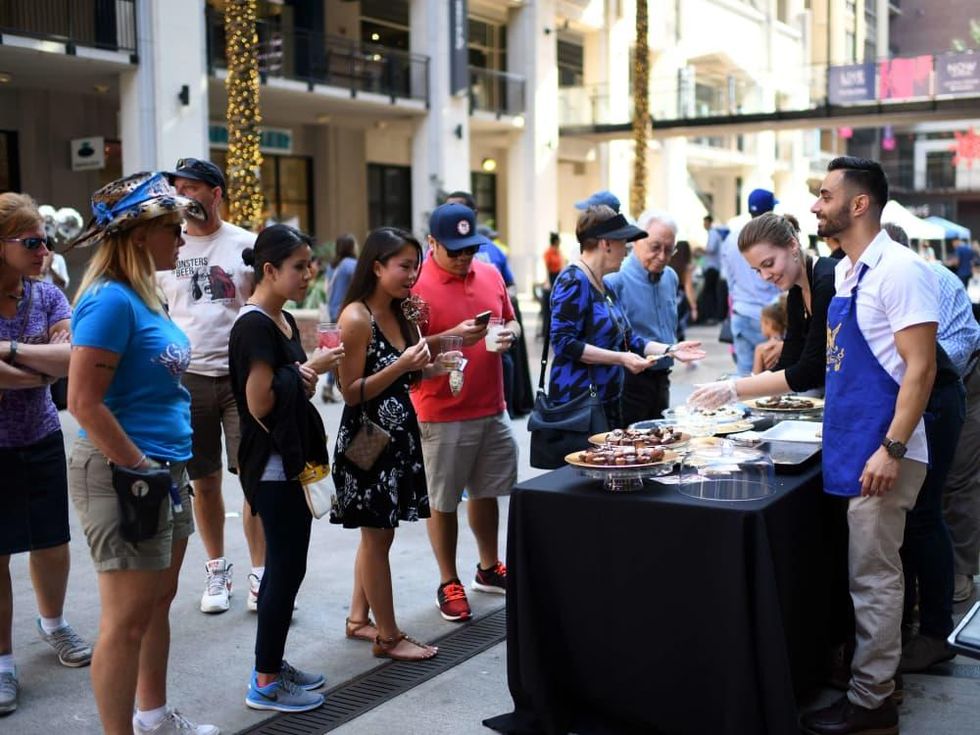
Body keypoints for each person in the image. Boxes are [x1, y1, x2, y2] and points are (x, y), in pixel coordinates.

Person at [66, 172, 218, 735]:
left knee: (157, 602)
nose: (181, 238)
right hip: (124, 471)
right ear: (137, 236)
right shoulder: (109, 300)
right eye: (172, 229)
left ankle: (153, 716)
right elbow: (83, 400)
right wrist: (139, 464)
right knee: (126, 620)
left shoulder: (141, 295)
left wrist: (158, 469)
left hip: (158, 469)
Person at [799, 157, 938, 735]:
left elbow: (921, 368)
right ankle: (874, 677)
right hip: (857, 446)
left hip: (883, 453)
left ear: (859, 204)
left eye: (825, 195)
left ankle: (871, 704)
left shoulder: (899, 269)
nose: (815, 204)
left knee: (874, 580)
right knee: (869, 575)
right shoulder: (852, 271)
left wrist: (892, 448)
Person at [229, 224, 343, 713]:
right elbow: (258, 402)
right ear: (269, 270)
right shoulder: (254, 325)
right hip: (273, 467)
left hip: (294, 460)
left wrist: (305, 376)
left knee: (287, 571)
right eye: (299, 266)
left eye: (309, 264)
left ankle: (272, 663)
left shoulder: (285, 320)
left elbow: (294, 390)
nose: (308, 273)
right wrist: (305, 369)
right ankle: (265, 681)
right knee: (283, 571)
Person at [158, 157, 265, 615]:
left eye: (193, 189)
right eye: (179, 190)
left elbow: (265, 304)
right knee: (204, 481)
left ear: (216, 193)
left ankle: (261, 572)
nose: (186, 198)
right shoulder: (167, 250)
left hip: (241, 377)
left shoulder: (245, 244)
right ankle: (216, 569)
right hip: (191, 379)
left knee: (256, 478)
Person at [0, 193, 91, 717]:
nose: (44, 250)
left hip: (40, 435)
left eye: (46, 241)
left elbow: (71, 360)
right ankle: (3, 661)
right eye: (32, 242)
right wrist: (42, 368)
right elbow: (54, 365)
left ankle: (52, 623)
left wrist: (10, 351)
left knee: (52, 542)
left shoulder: (49, 296)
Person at [331, 227, 439, 662]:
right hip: (365, 439)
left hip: (396, 437)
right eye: (404, 266)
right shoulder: (357, 318)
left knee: (378, 535)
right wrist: (401, 366)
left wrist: (433, 364)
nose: (412, 275)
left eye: (415, 266)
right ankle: (388, 637)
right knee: (377, 535)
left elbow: (406, 376)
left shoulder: (400, 313)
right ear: (376, 267)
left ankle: (359, 618)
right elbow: (350, 391)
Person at [410, 202, 518, 622]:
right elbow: (408, 352)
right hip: (439, 409)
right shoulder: (415, 287)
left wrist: (507, 333)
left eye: (468, 249)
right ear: (432, 243)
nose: (463, 257)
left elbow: (511, 322)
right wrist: (452, 336)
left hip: (491, 404)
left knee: (486, 490)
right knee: (443, 500)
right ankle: (447, 579)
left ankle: (488, 568)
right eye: (454, 250)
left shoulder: (490, 274)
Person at [884, 222, 974, 673]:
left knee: (925, 511)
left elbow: (951, 354)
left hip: (941, 398)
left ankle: (936, 631)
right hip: (914, 399)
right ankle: (914, 615)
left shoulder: (930, 278)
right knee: (912, 513)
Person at [550, 205, 704, 429]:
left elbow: (630, 338)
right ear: (606, 244)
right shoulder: (574, 279)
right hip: (580, 405)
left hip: (608, 401)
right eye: (624, 243)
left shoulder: (603, 283)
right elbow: (563, 343)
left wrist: (671, 350)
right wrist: (621, 358)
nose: (626, 250)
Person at [689, 213, 837, 410]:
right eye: (757, 270)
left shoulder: (826, 281)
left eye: (768, 264)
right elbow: (788, 361)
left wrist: (735, 389)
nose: (765, 276)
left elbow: (810, 370)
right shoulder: (797, 289)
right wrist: (736, 387)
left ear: (793, 245)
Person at [603, 210, 703, 426]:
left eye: (669, 250)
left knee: (660, 441)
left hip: (662, 376)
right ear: (637, 240)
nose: (662, 257)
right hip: (628, 379)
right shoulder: (615, 279)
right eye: (655, 247)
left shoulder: (670, 277)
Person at [720, 188, 782, 376]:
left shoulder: (731, 238)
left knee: (745, 376)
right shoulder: (773, 237)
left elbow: (727, 280)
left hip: (741, 312)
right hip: (770, 317)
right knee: (772, 380)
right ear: (770, 210)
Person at [321, 233, 358, 403]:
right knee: (343, 350)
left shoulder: (332, 266)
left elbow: (326, 287)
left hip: (331, 311)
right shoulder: (351, 265)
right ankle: (341, 384)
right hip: (345, 312)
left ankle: (329, 386)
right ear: (351, 247)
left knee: (333, 350)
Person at [669, 239, 698, 339]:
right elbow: (688, 287)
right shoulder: (686, 267)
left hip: (670, 297)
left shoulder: (669, 264)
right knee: (680, 331)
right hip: (681, 301)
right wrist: (694, 307)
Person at [698, 215, 724, 323]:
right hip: (712, 267)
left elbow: (711, 249)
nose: (704, 225)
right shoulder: (712, 234)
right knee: (711, 292)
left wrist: (700, 250)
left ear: (709, 222)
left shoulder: (713, 234)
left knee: (709, 293)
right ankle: (712, 316)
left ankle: (711, 316)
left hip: (712, 267)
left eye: (705, 222)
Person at [752, 299, 786, 375]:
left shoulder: (761, 349)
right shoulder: (791, 346)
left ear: (769, 324)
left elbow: (756, 376)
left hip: (769, 385)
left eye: (762, 323)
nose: (760, 326)